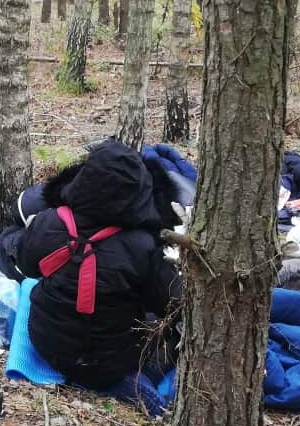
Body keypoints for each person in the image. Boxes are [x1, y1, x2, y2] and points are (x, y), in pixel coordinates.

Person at [14, 140, 181, 391]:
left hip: (47, 345)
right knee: (164, 331)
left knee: (32, 287)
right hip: (111, 365)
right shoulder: (143, 246)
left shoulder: (49, 221)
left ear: (84, 179)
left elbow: (27, 266)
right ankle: (136, 385)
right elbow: (171, 304)